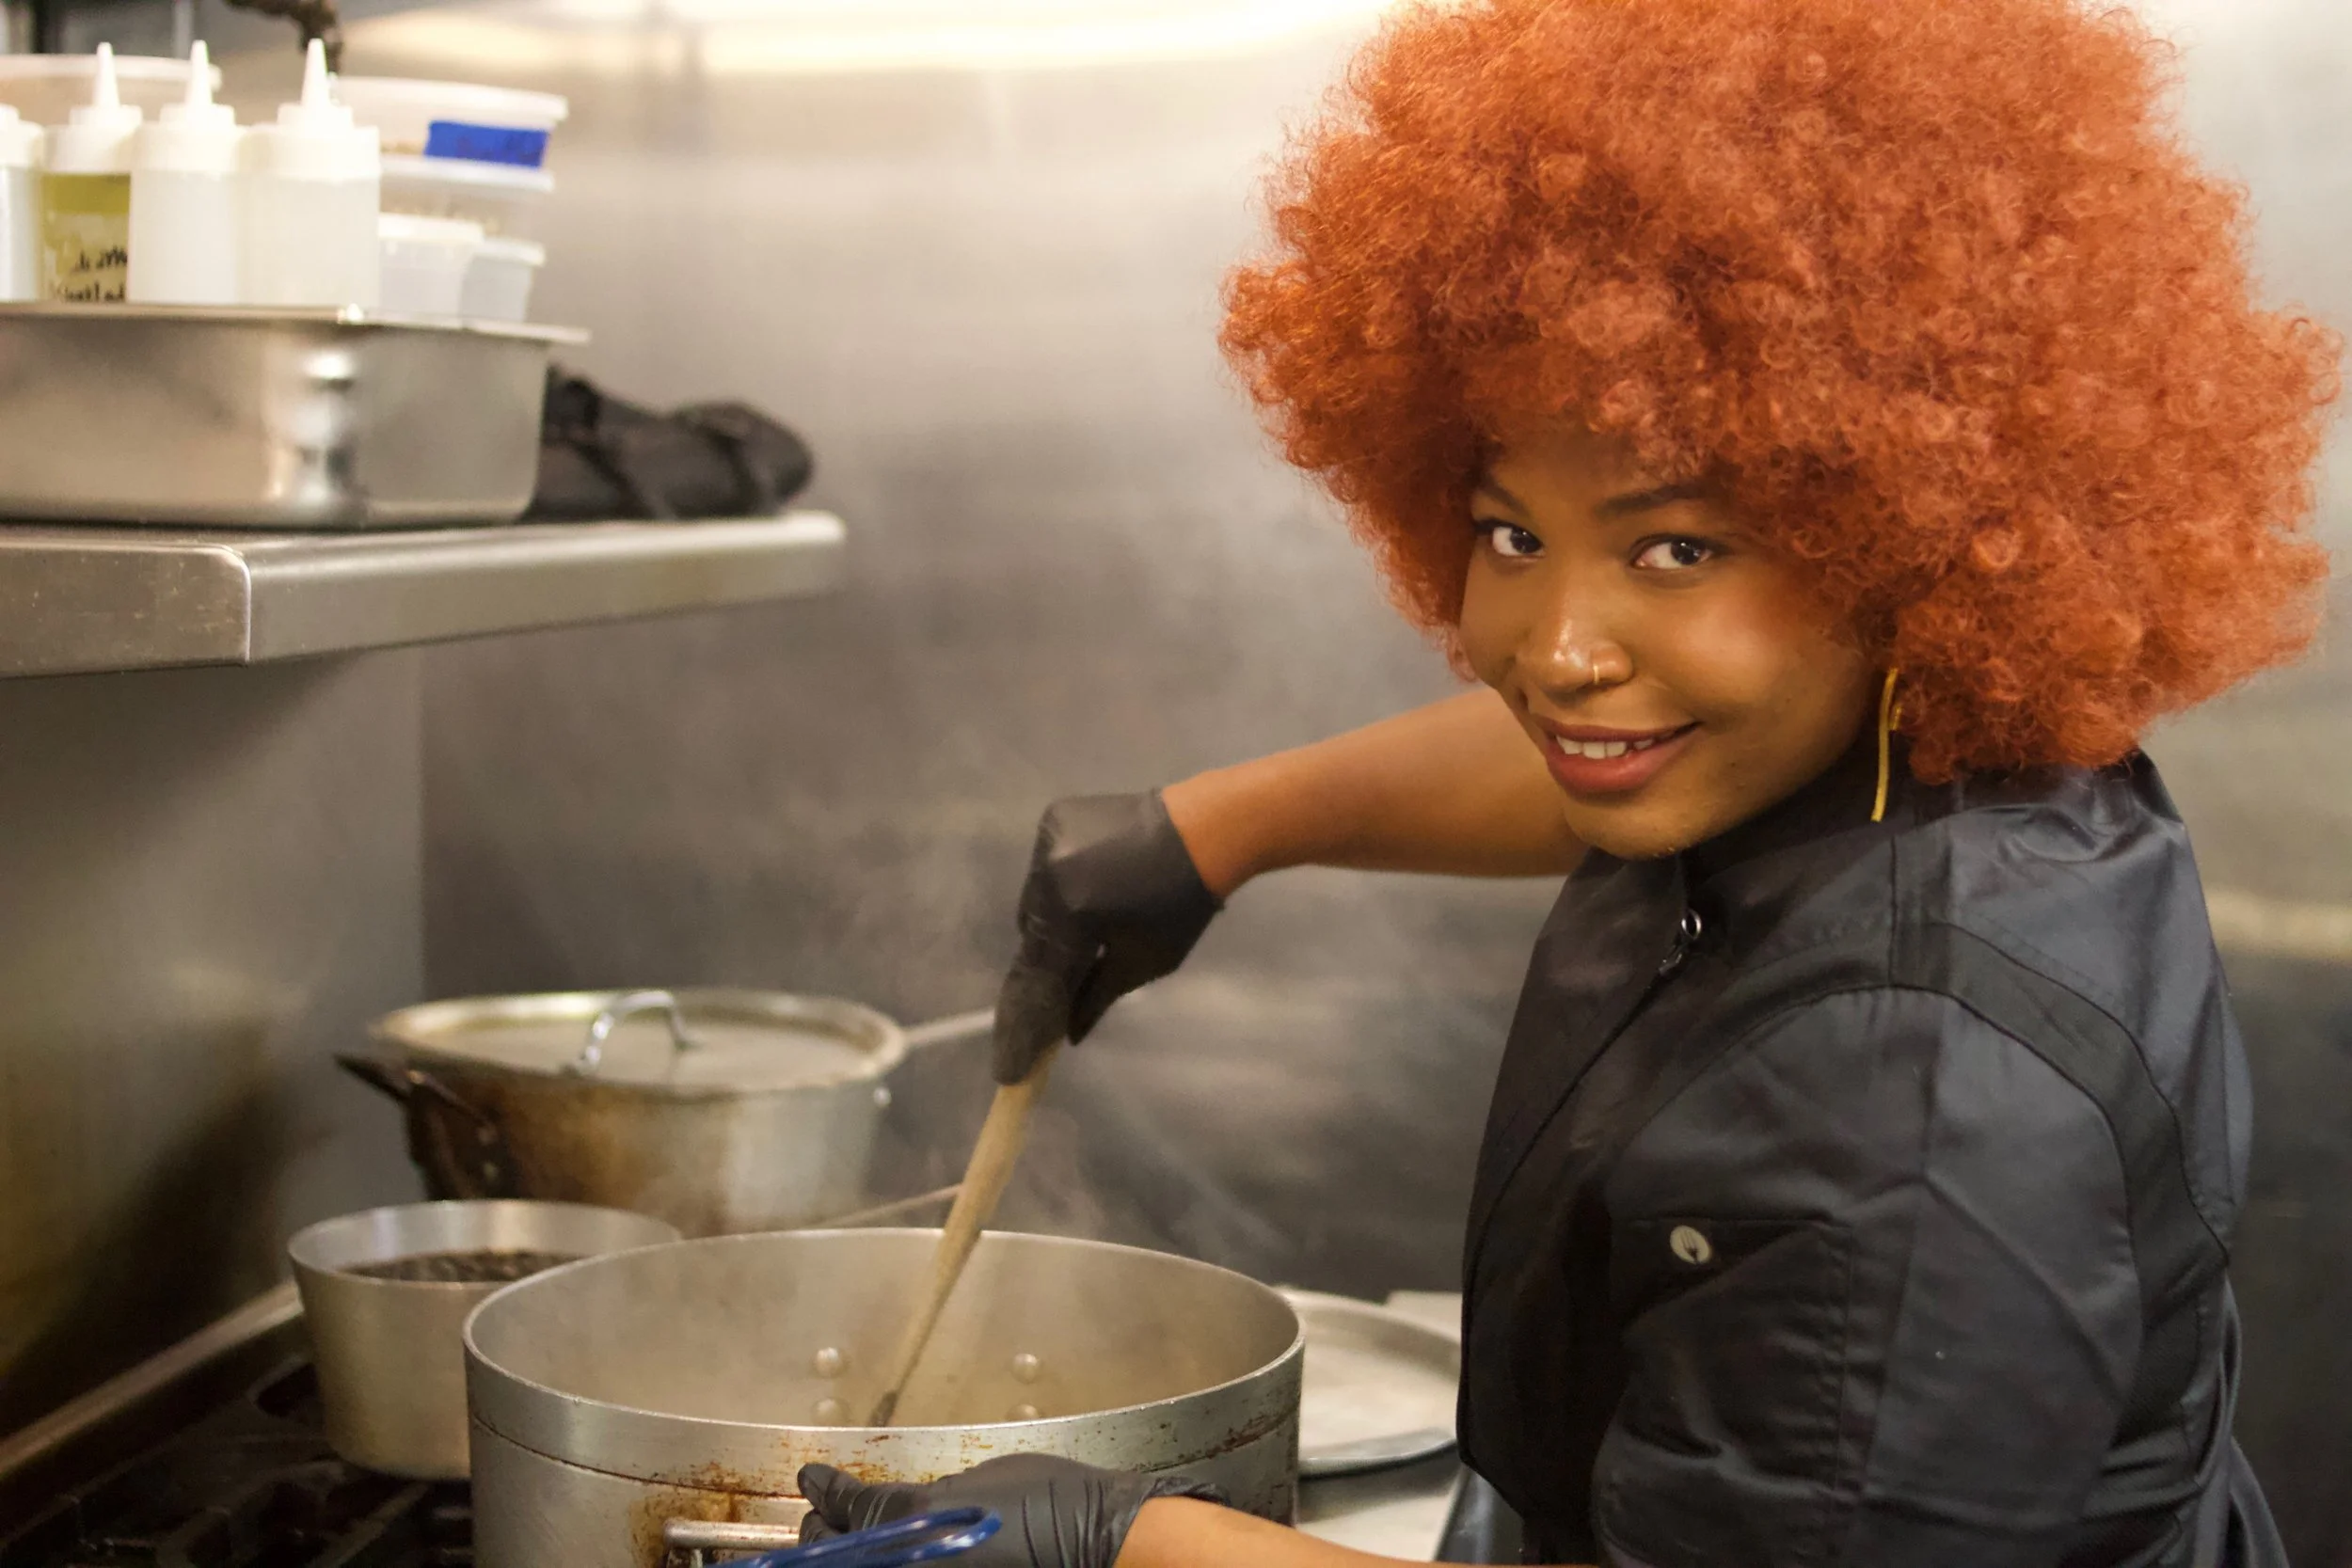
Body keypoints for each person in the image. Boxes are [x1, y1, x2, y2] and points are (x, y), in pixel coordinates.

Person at [797, 0, 2338, 1562]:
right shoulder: (1877, 737)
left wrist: (1122, 1545)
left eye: (1679, 547)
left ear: (1903, 541)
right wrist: (1218, 830)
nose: (1558, 647)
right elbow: (1604, 741)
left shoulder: (1910, 1134)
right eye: (1513, 534)